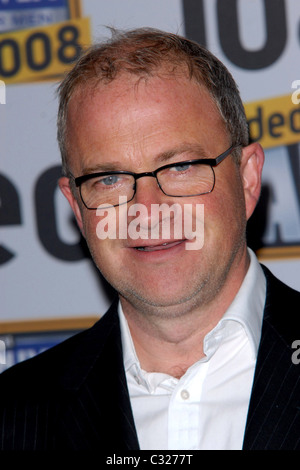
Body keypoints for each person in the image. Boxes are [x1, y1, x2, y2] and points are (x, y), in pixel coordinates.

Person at [0, 28, 299, 451]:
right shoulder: (13, 417)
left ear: (248, 179)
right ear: (76, 207)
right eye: (109, 178)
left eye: (180, 166)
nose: (147, 208)